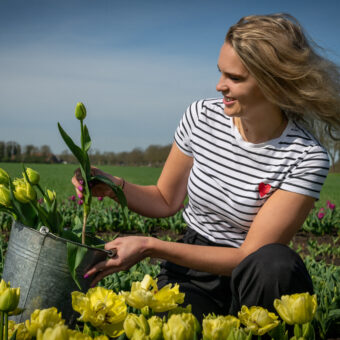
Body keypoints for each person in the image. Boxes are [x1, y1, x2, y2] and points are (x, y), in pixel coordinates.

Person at [72, 13, 340, 320]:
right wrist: (111, 184)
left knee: (275, 263)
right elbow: (164, 198)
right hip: (191, 272)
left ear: (274, 83)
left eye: (234, 78)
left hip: (256, 278)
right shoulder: (201, 117)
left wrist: (149, 245)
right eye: (220, 73)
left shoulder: (305, 157)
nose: (219, 86)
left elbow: (246, 256)